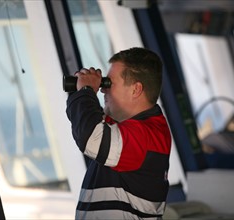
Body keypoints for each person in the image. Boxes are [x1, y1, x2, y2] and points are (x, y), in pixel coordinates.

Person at [66, 47, 172, 219]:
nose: (102, 90)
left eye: (109, 84)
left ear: (136, 90)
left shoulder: (146, 136)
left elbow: (91, 138)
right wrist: (79, 91)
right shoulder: (131, 129)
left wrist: (86, 91)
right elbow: (86, 122)